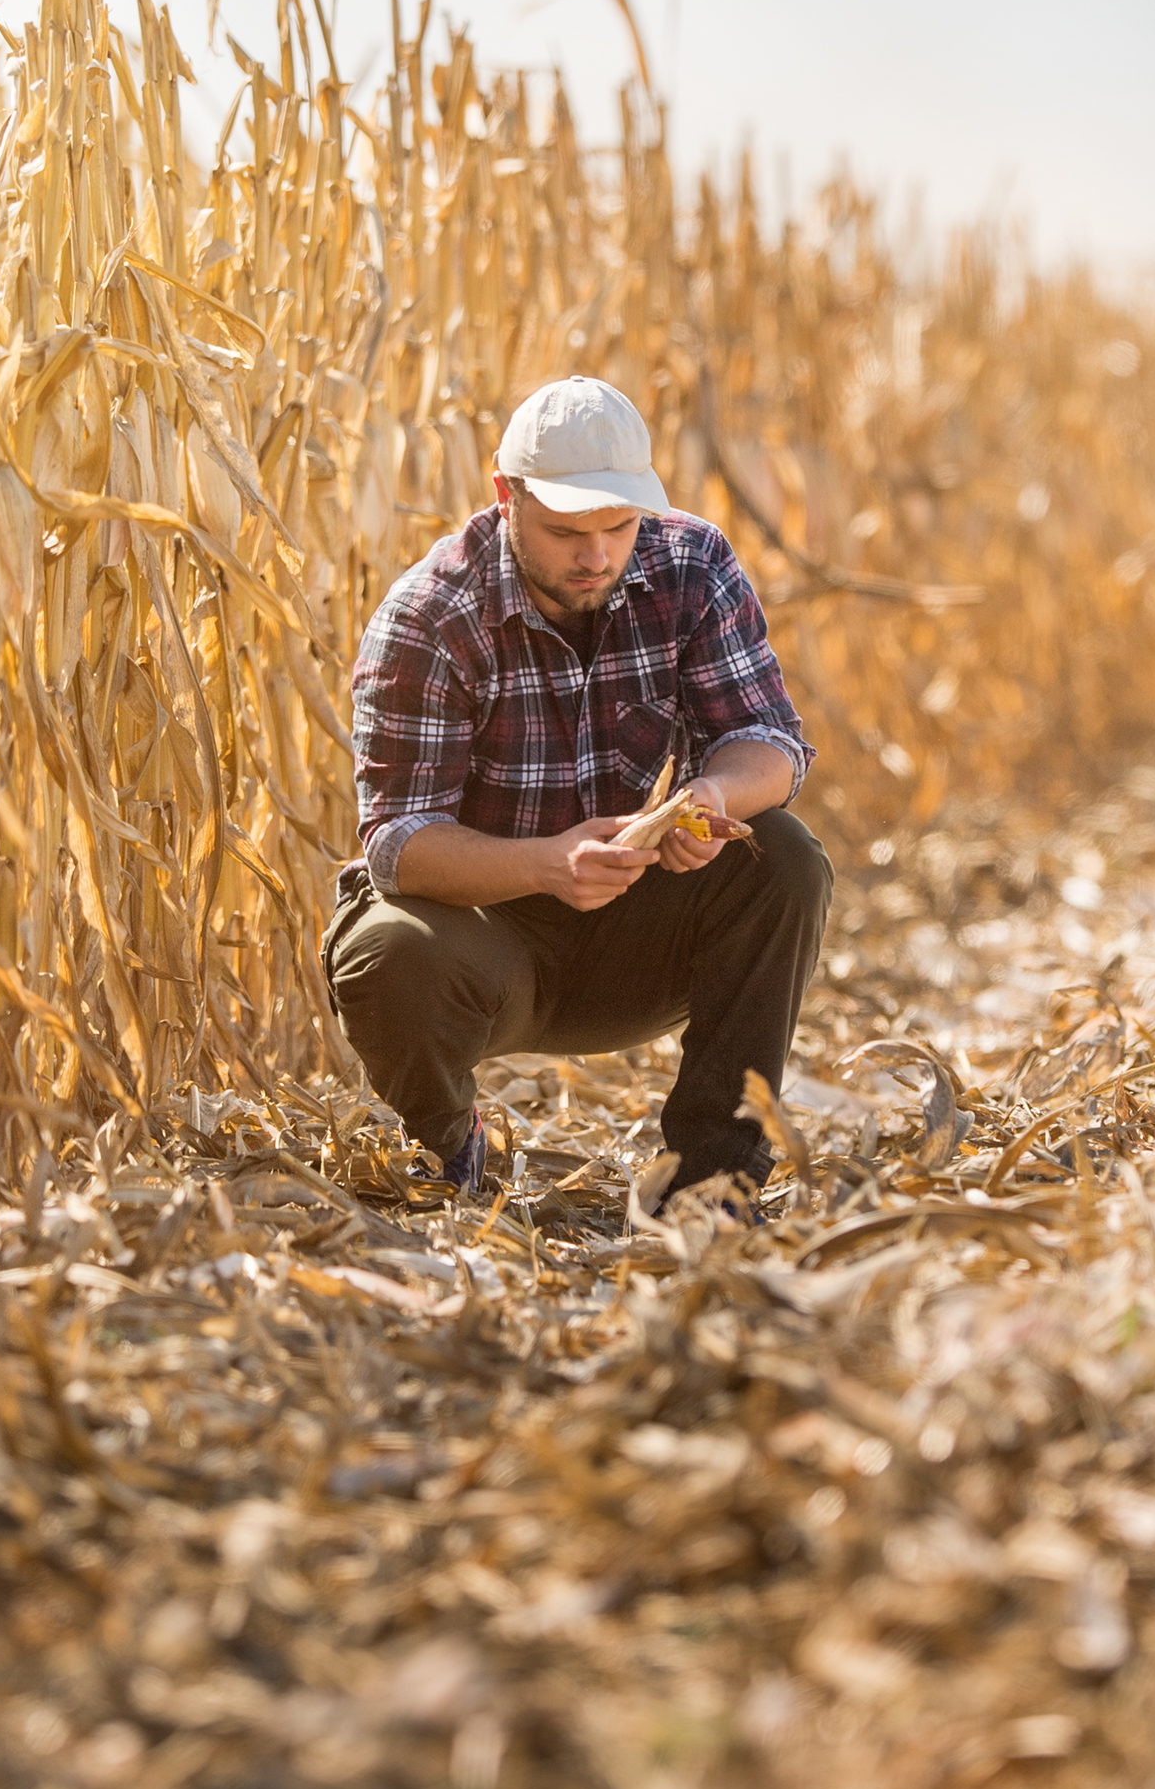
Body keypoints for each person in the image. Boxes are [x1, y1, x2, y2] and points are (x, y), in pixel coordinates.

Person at [325, 375, 832, 1204]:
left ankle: (709, 1184)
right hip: (482, 935)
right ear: (505, 497)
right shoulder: (430, 616)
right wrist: (548, 863)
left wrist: (709, 797)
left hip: (632, 924)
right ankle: (449, 1146)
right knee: (389, 953)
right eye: (565, 532)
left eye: (618, 526)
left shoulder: (690, 563)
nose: (596, 556)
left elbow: (772, 743)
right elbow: (398, 845)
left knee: (784, 858)